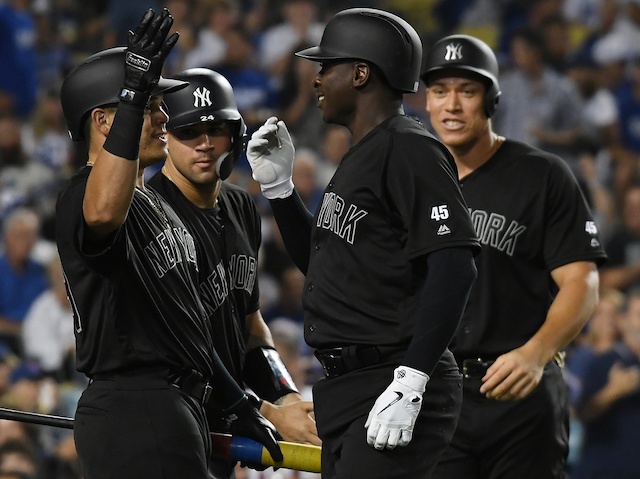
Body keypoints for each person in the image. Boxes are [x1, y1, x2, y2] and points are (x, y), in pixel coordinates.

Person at [246, 8, 480, 479]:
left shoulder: (409, 148)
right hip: (353, 384)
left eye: (325, 68)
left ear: (360, 74)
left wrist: (413, 379)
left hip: (395, 375)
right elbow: (326, 265)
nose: (316, 81)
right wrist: (282, 192)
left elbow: (455, 265)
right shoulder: (364, 155)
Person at [55, 9, 281, 479]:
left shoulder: (155, 205)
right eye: (146, 105)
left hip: (177, 407)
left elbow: (184, 326)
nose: (161, 116)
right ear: (102, 121)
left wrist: (240, 403)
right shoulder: (84, 193)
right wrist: (134, 93)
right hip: (136, 407)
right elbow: (101, 214)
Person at [420, 34, 608, 478]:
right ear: (425, 101)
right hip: (436, 396)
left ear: (492, 99)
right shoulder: (408, 181)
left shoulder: (542, 174)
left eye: (467, 91)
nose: (452, 105)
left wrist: (536, 353)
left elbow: (582, 282)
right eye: (440, 91)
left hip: (522, 394)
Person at [147, 67, 320, 478]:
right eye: (188, 131)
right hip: (169, 425)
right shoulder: (149, 215)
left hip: (226, 423)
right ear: (165, 137)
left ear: (237, 135)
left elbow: (251, 324)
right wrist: (266, 411)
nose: (205, 144)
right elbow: (179, 350)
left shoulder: (242, 208)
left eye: (217, 129)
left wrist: (285, 395)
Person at [571, 290, 640, 479]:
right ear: (623, 321)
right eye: (638, 315)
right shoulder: (605, 362)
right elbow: (582, 413)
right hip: (604, 470)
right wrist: (613, 391)